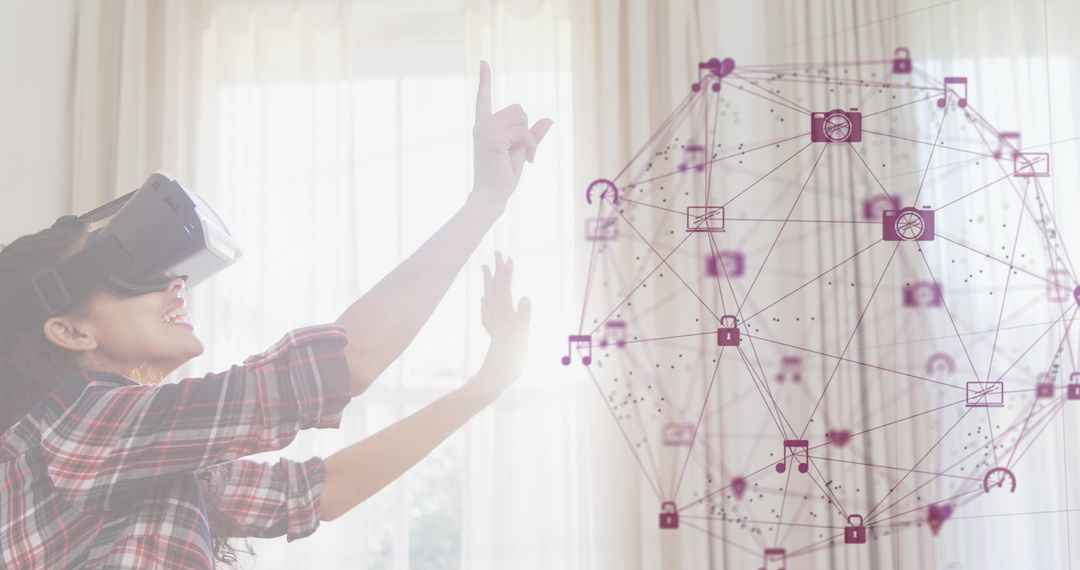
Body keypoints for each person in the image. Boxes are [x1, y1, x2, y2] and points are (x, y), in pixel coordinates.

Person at [0, 61, 553, 569]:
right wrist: (484, 202)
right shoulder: (73, 431)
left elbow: (320, 491)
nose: (175, 285)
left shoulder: (133, 457)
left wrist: (488, 382)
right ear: (69, 330)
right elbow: (345, 363)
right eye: (130, 274)